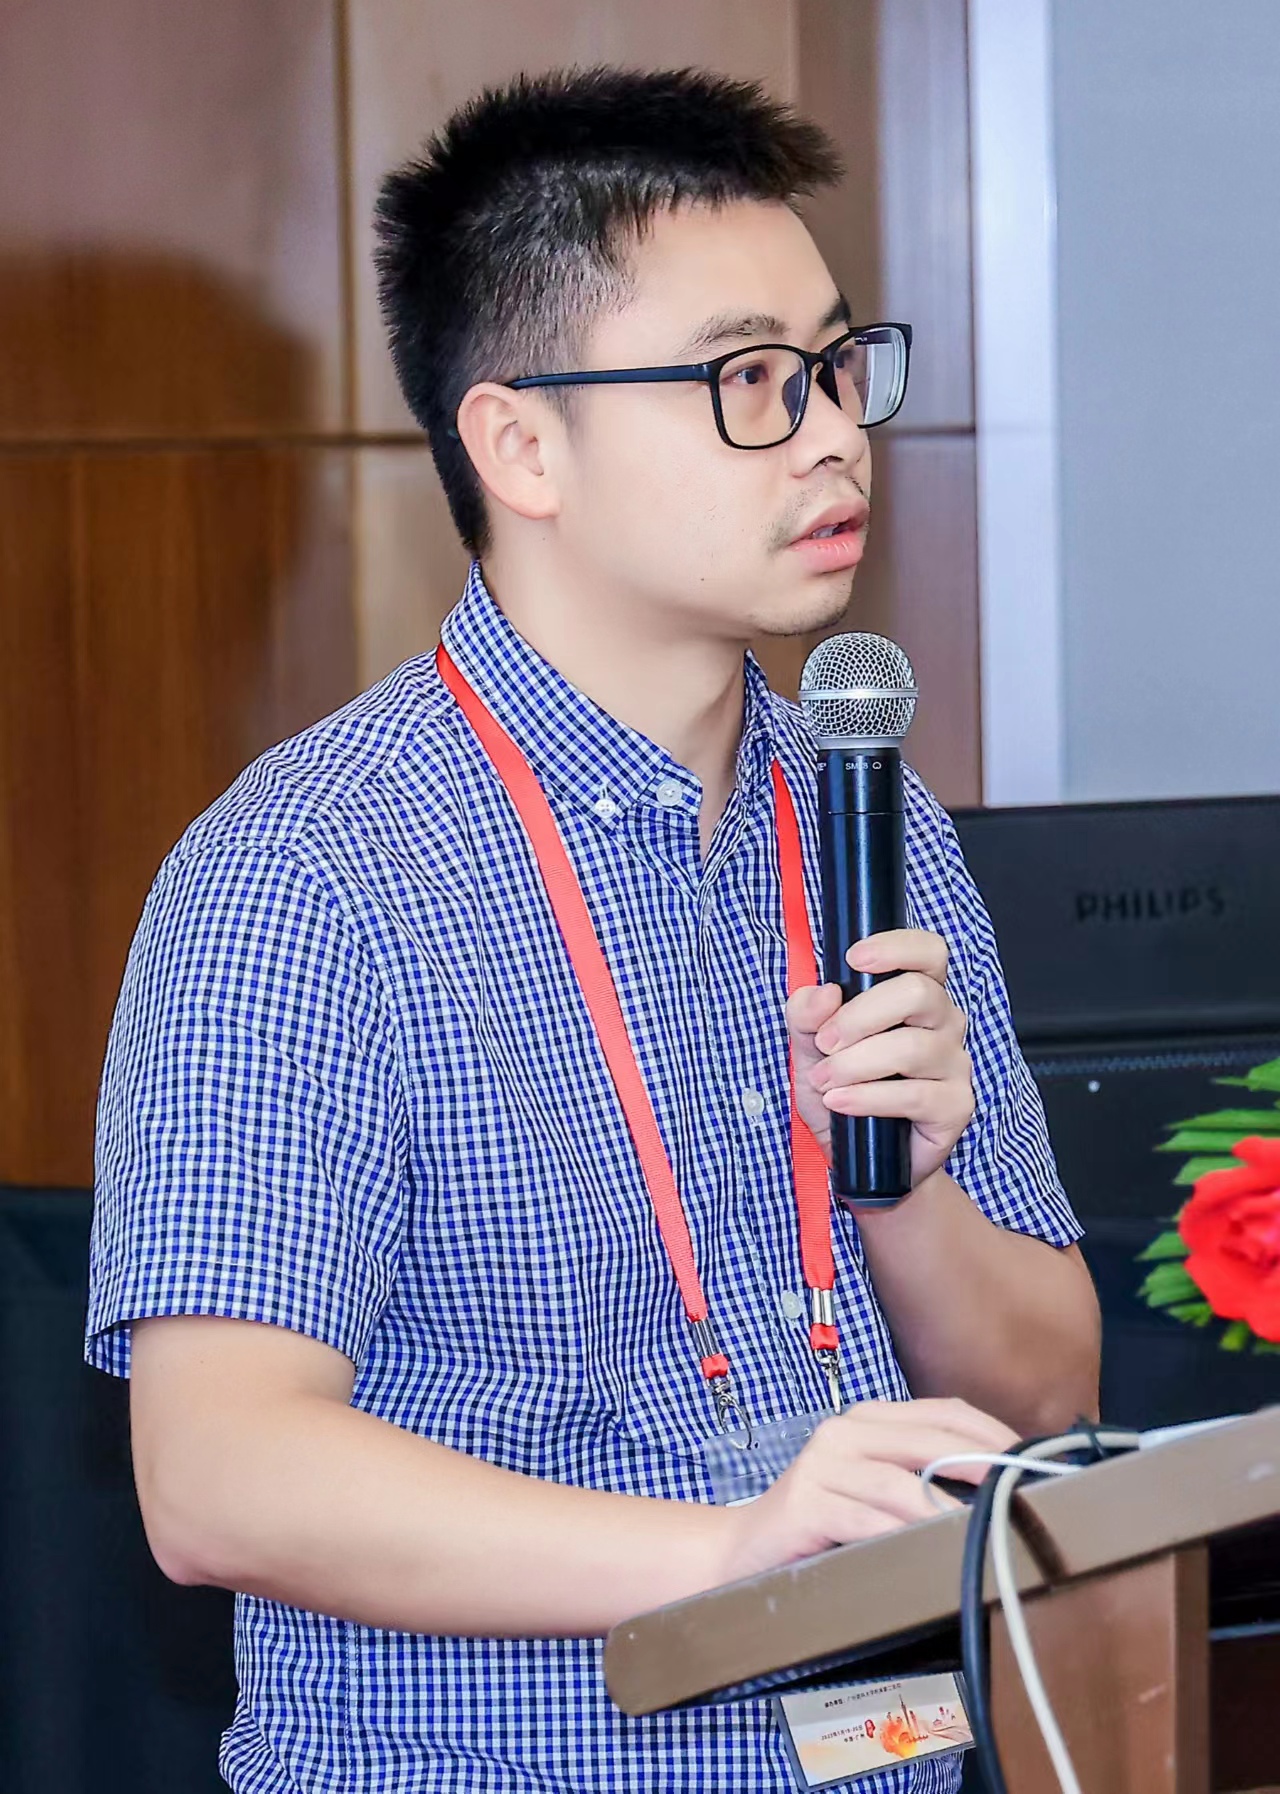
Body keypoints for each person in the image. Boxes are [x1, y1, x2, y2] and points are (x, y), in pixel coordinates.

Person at [87, 66, 1100, 1794]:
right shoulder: (312, 872)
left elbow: (1047, 1398)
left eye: (840, 366)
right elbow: (217, 1475)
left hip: (886, 1756)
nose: (834, 434)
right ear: (521, 445)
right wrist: (730, 1553)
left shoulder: (876, 822)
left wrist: (906, 1184)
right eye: (750, 381)